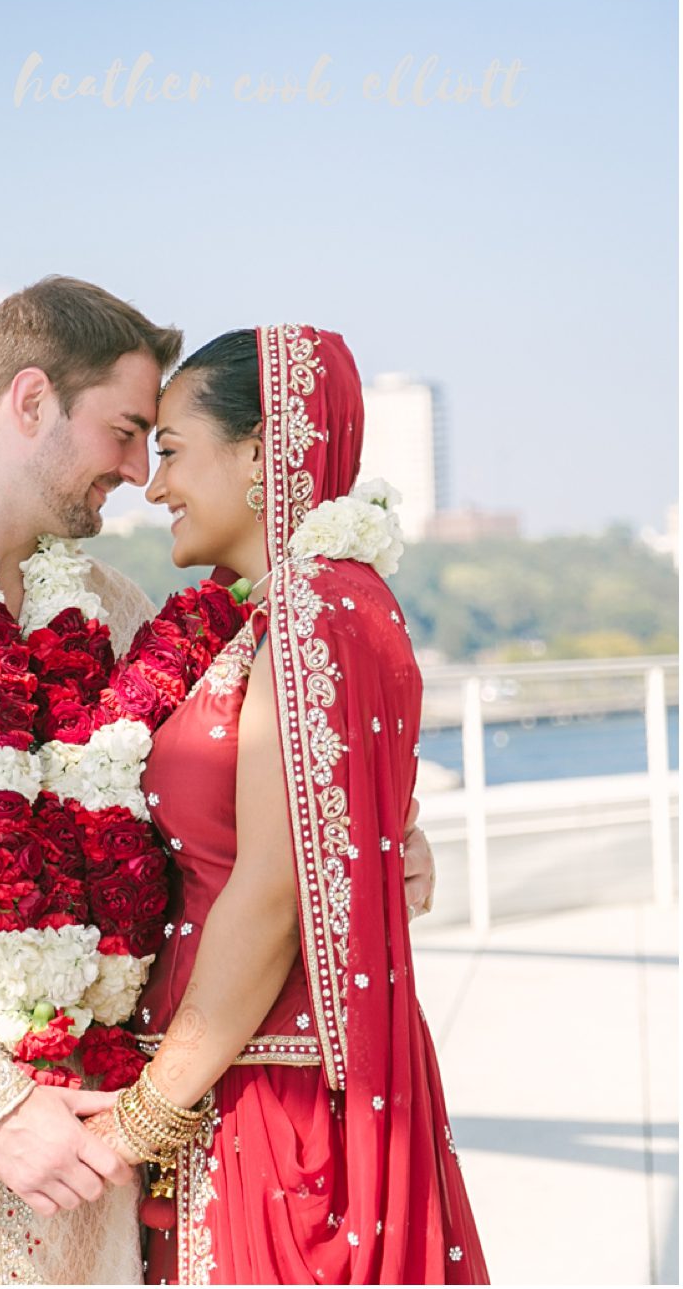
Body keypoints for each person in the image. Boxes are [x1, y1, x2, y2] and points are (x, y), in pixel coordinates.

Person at [0, 281, 440, 1283]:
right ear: (29, 402)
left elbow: (254, 779)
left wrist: (377, 831)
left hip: (81, 1158)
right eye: (122, 430)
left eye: (157, 441)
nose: (139, 471)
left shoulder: (114, 608)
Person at [100, 325, 486, 1284]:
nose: (154, 486)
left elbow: (270, 891)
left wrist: (141, 1116)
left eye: (175, 452)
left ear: (265, 453)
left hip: (272, 1103)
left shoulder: (317, 609)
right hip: (251, 1084)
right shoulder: (306, 608)